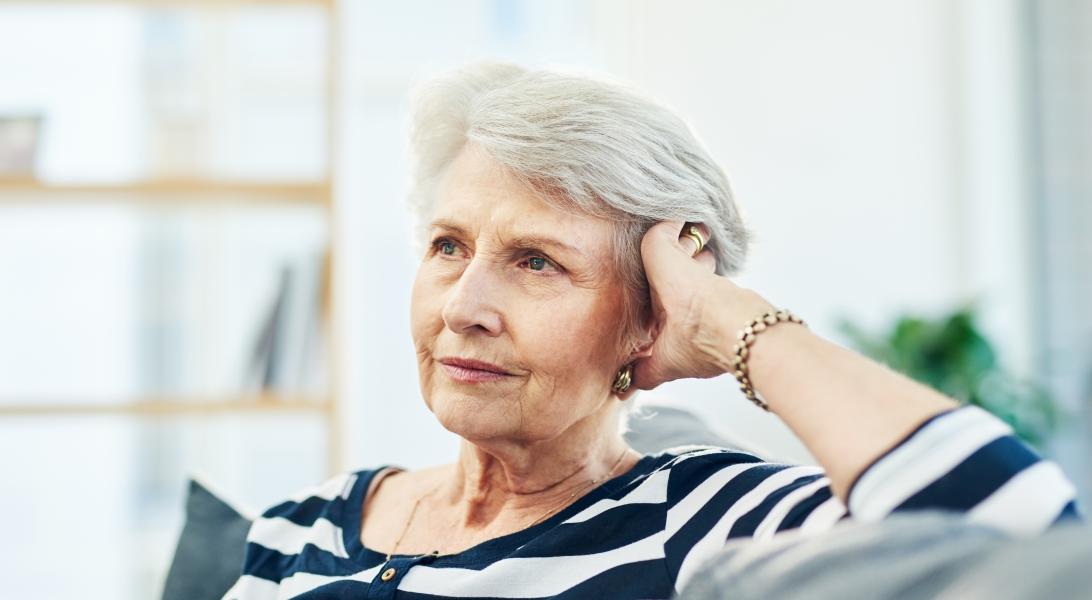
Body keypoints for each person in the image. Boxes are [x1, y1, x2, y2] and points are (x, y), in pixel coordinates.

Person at [223, 63, 1078, 599]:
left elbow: (1020, 527)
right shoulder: (302, 525)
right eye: (449, 246)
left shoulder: (700, 520)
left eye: (535, 262)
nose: (463, 305)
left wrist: (722, 317)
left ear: (648, 316)